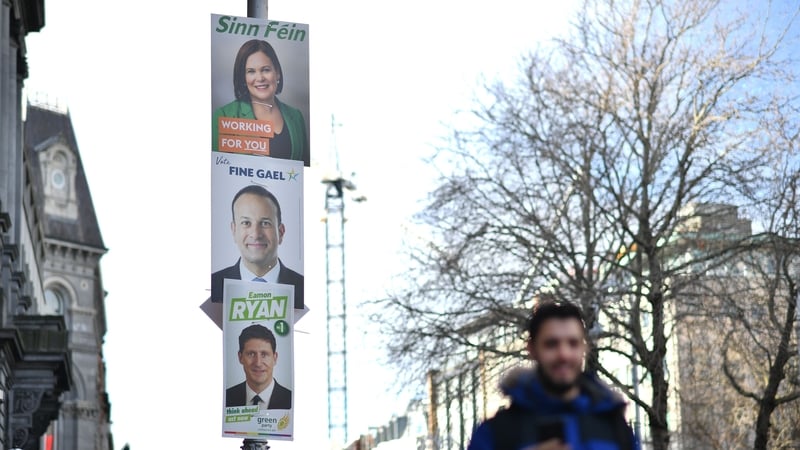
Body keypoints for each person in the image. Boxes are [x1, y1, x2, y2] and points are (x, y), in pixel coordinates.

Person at [467, 301, 638, 450]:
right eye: (551, 344)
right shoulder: (495, 433)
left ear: (584, 348)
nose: (563, 354)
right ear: (532, 349)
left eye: (573, 343)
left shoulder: (616, 429)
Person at [212, 39, 309, 166]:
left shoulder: (296, 116)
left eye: (266, 70)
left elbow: (304, 169)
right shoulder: (224, 116)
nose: (260, 78)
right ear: (243, 78)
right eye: (251, 71)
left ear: (277, 73)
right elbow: (219, 169)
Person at [211, 184, 304, 310]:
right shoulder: (214, 285)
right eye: (246, 223)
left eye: (265, 223)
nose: (255, 234)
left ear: (281, 232)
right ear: (234, 230)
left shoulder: (304, 288)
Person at [226, 324, 292, 409]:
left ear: (275, 358)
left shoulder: (291, 399)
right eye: (251, 354)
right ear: (240, 357)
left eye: (264, 354)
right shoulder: (226, 397)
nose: (258, 363)